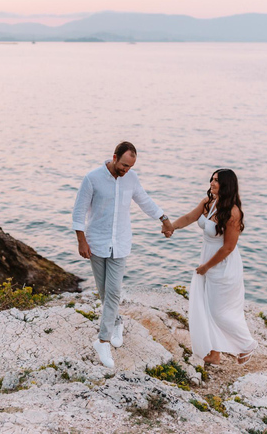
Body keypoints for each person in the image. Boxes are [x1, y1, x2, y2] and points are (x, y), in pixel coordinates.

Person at [73, 141, 174, 369]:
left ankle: (103, 340)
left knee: (114, 292)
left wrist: (163, 218)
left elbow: (144, 201)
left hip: (120, 244)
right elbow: (79, 211)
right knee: (104, 293)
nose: (126, 170)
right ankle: (117, 321)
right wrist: (81, 241)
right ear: (115, 156)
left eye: (130, 167)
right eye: (124, 165)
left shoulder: (131, 178)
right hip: (96, 243)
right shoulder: (92, 178)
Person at [169, 169, 257, 365]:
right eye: (212, 179)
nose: (212, 183)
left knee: (219, 311)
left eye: (217, 180)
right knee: (208, 307)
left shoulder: (233, 212)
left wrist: (206, 267)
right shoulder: (208, 202)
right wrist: (171, 226)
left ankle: (247, 345)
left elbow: (228, 247)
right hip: (208, 260)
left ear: (227, 185)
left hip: (223, 266)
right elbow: (189, 218)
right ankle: (215, 354)